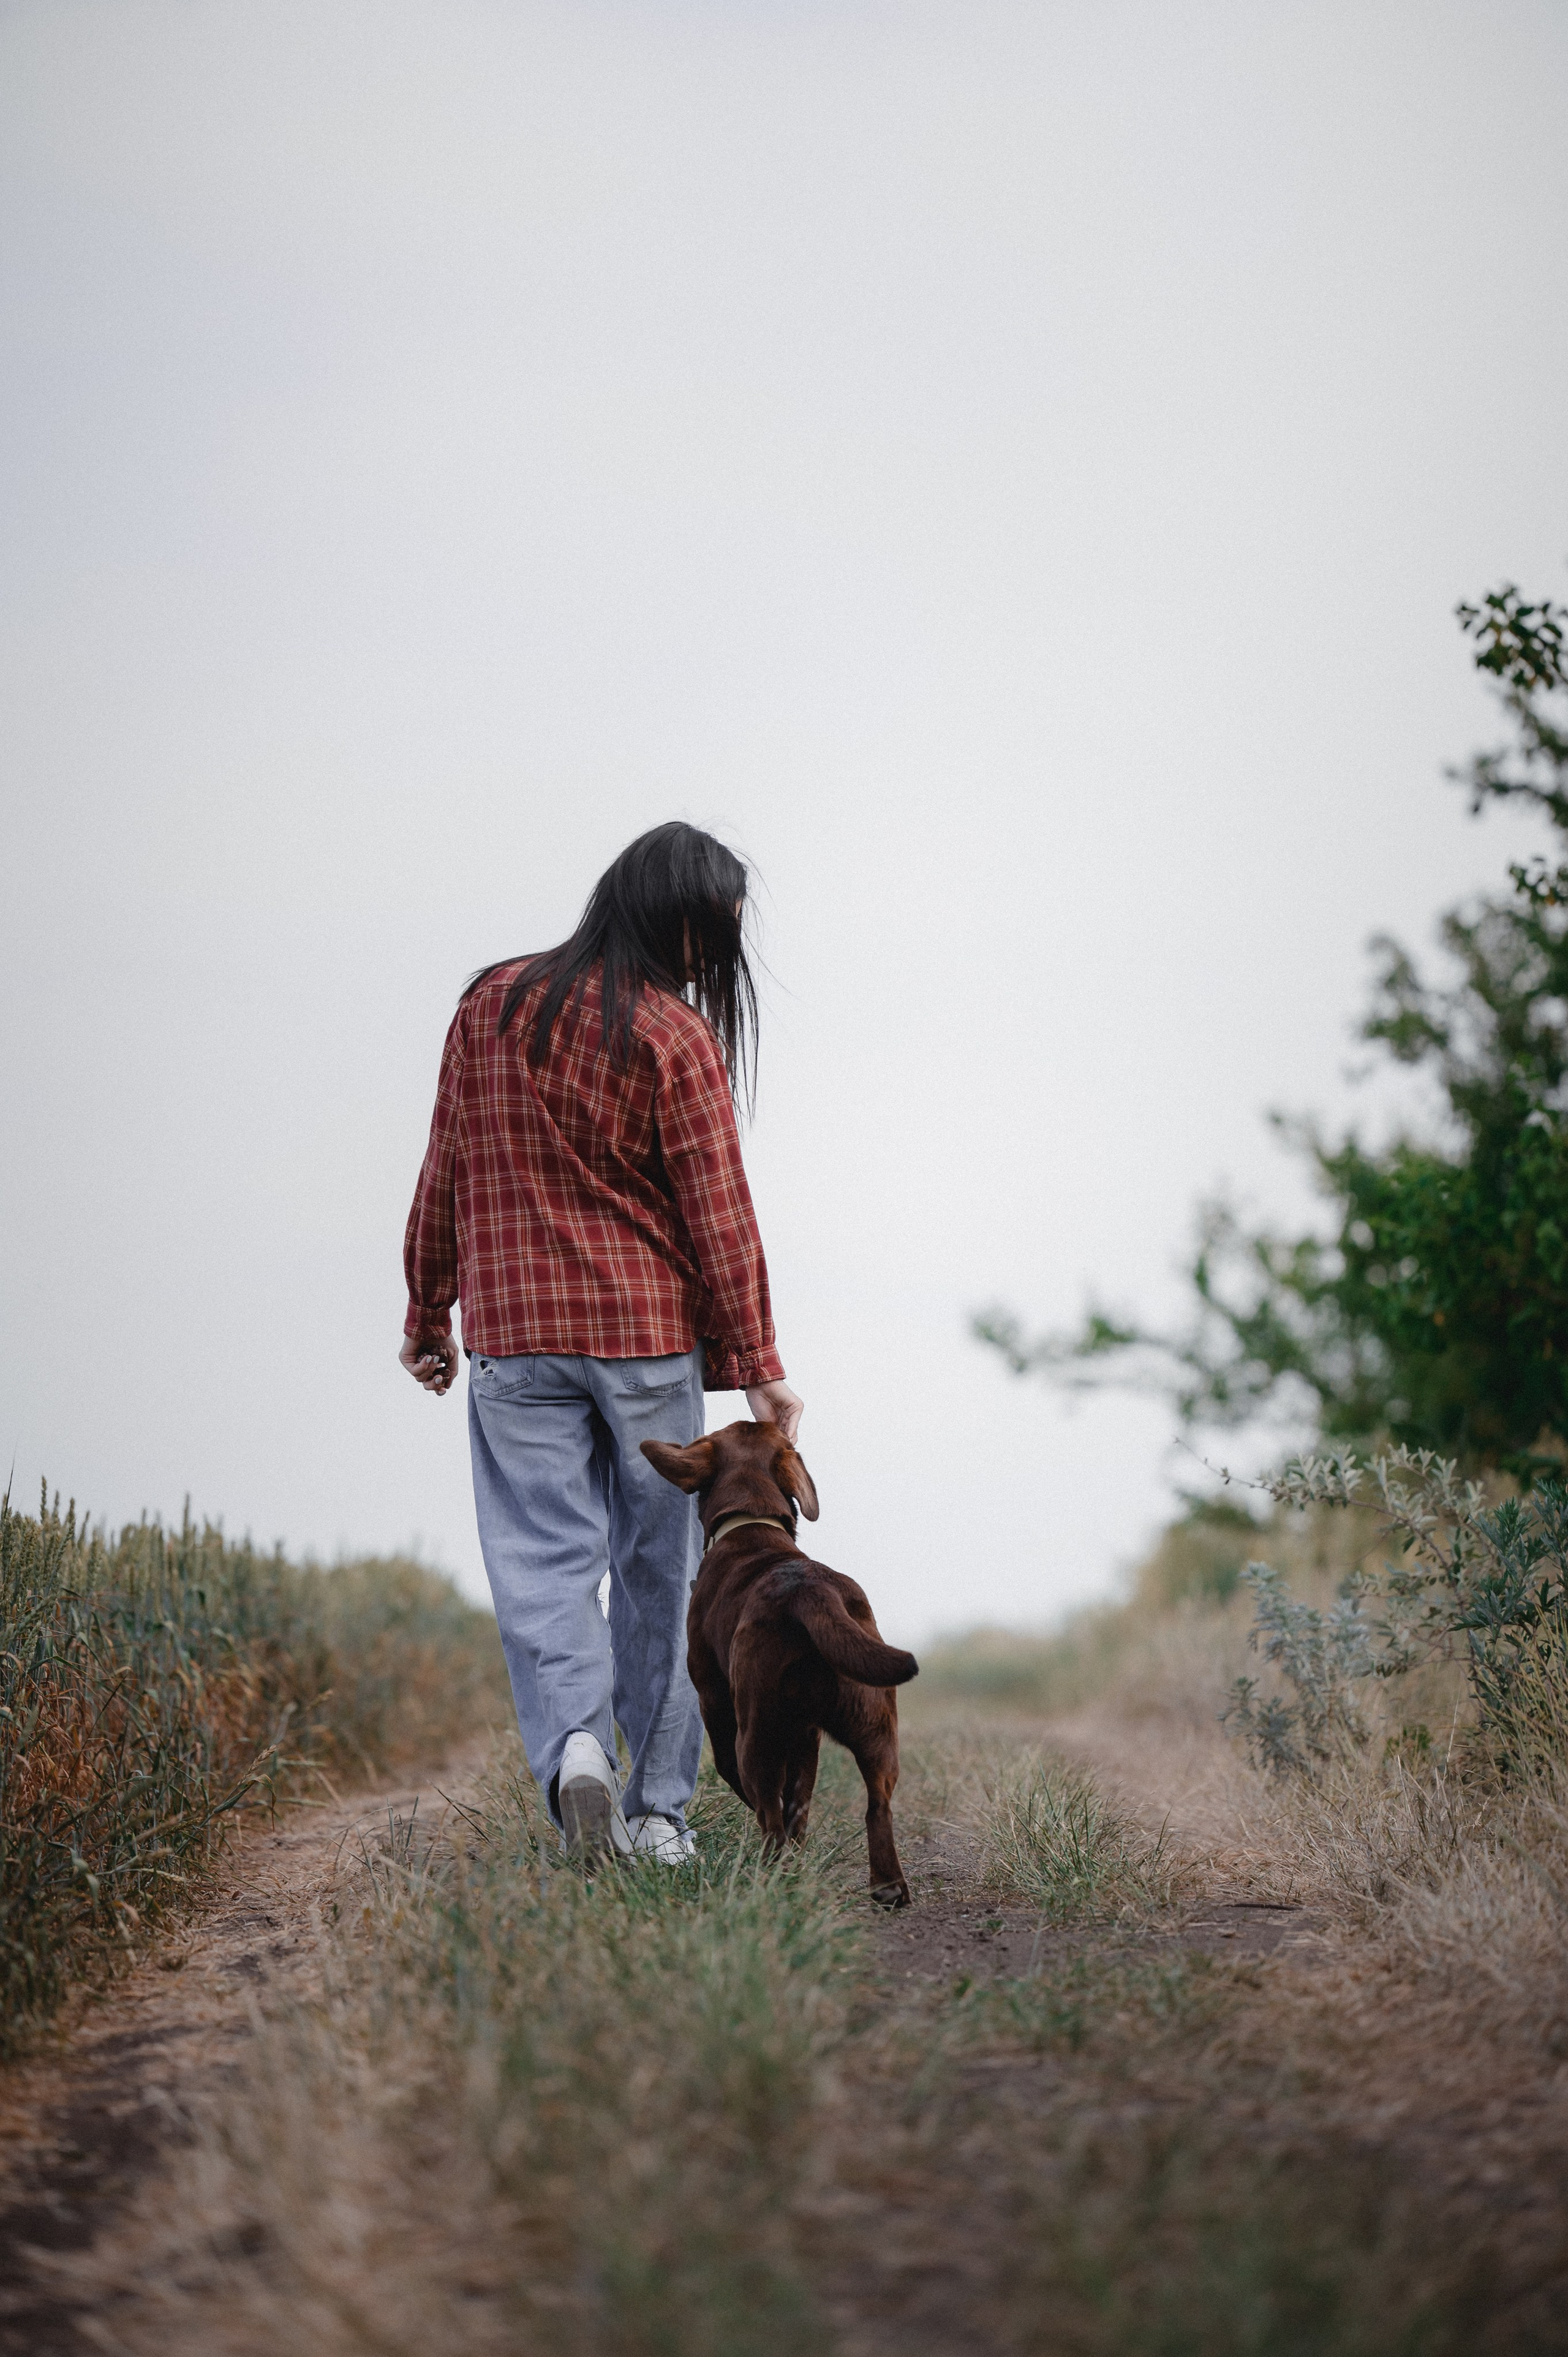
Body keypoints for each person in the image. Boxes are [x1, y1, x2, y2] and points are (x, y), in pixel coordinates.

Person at [400, 821, 801, 1863]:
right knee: (660, 1571)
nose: (719, 958)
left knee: (542, 1566)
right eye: (718, 934)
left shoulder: (489, 1004)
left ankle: (577, 1751)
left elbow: (447, 1161)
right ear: (683, 922)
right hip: (642, 1339)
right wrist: (758, 1370)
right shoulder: (675, 1036)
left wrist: (425, 1310)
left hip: (516, 1342)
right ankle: (659, 1811)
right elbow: (721, 1214)